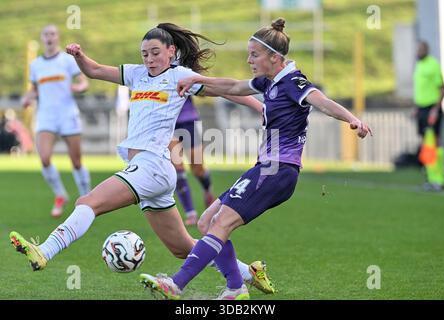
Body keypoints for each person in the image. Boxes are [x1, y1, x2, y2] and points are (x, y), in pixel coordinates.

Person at [9, 22, 274, 296]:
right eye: (145, 53)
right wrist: (79, 57)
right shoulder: (136, 74)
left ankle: (44, 251)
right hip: (149, 170)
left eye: (155, 52)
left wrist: (261, 108)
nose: (149, 59)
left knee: (88, 202)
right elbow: (96, 70)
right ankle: (248, 272)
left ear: (171, 51)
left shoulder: (179, 75)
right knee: (182, 247)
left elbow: (226, 89)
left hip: (153, 165)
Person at [140, 18, 372, 300]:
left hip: (278, 170)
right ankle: (237, 287)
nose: (249, 59)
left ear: (274, 57)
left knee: (220, 224)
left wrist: (352, 119)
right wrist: (198, 81)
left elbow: (322, 101)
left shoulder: (293, 81)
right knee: (207, 221)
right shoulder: (269, 81)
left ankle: (176, 285)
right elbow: (235, 87)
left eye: (254, 54)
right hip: (265, 168)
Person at [21, 24, 91, 217]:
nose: (49, 37)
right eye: (46, 34)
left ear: (57, 37)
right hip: (46, 116)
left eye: (52, 34)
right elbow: (34, 88)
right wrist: (28, 98)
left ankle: (87, 198)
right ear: (42, 38)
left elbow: (83, 81)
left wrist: (79, 88)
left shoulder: (66, 61)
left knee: (76, 162)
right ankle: (60, 194)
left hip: (67, 114)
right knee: (44, 158)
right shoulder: (36, 65)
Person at [170, 96, 215, 226]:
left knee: (197, 168)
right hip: (167, 121)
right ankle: (190, 213)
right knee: (177, 168)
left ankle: (207, 189)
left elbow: (201, 90)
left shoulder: (185, 74)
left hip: (188, 120)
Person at [414, 41, 444, 191]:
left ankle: (439, 179)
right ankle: (430, 178)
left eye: (420, 49)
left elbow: (442, 89)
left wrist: (435, 109)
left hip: (431, 109)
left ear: (426, 50)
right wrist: (416, 108)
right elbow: (421, 89)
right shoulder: (419, 65)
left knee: (435, 143)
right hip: (421, 109)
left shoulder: (433, 64)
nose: (417, 51)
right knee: (426, 144)